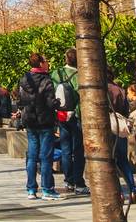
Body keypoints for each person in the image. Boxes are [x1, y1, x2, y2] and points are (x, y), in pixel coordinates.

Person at [14, 52, 61, 201]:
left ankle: (31, 190)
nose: (48, 64)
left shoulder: (24, 80)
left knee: (32, 156)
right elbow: (49, 102)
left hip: (30, 122)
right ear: (40, 64)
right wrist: (58, 103)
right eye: (46, 61)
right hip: (45, 122)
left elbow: (20, 101)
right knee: (46, 157)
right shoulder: (46, 80)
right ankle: (47, 190)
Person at [50, 48, 86, 194]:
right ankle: (79, 182)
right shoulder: (79, 75)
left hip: (61, 115)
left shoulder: (56, 73)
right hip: (75, 115)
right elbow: (81, 95)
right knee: (78, 149)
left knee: (65, 149)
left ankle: (68, 181)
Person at [108, 81, 136, 204]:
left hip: (109, 127)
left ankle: (119, 193)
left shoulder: (101, 89)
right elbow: (126, 109)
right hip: (120, 127)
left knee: (111, 162)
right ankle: (132, 191)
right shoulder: (119, 89)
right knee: (123, 161)